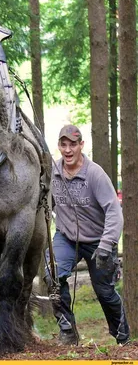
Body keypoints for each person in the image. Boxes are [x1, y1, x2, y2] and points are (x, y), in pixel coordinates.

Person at [44, 124, 130, 346]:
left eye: (73, 144)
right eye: (64, 145)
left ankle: (123, 339)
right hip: (66, 238)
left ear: (81, 145)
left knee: (105, 293)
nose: (68, 150)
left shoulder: (95, 174)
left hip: (98, 241)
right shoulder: (53, 171)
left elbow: (114, 211)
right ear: (59, 147)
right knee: (52, 274)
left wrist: (106, 244)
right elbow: (45, 203)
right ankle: (68, 330)